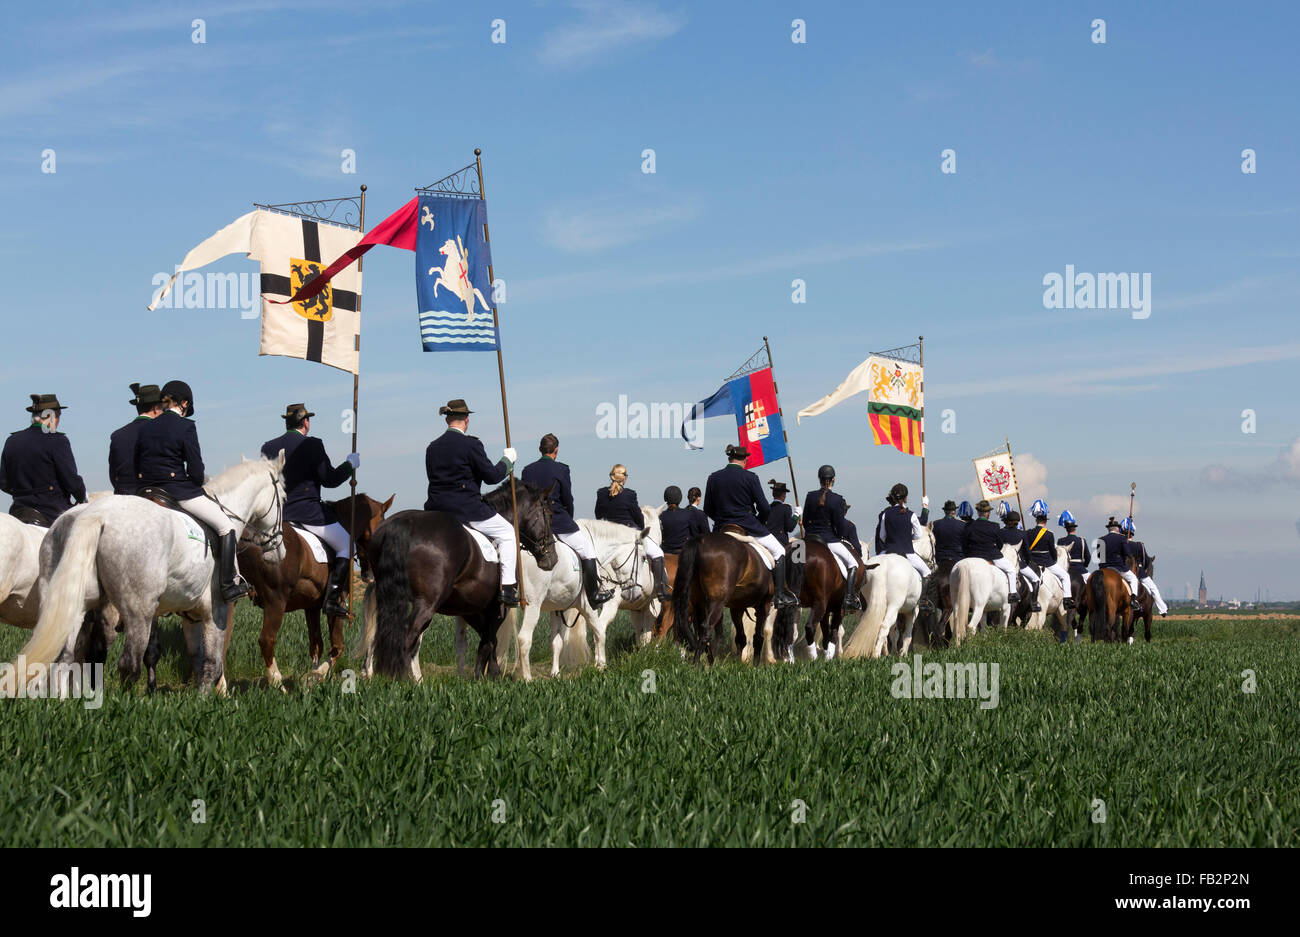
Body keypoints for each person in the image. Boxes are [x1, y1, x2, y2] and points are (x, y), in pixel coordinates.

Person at [134, 380, 248, 601]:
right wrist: (193, 482)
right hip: (178, 491)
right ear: (184, 403)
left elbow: (136, 463)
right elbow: (196, 471)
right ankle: (227, 585)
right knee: (226, 527)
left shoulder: (146, 427)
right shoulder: (186, 427)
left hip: (146, 492)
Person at [261, 403, 359, 618]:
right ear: (306, 422)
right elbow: (330, 480)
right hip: (309, 514)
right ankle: (332, 600)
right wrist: (349, 465)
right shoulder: (313, 445)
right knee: (347, 544)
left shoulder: (268, 447)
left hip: (278, 516)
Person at [423, 399, 520, 606]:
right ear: (466, 420)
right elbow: (492, 476)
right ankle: (509, 588)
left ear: (447, 420)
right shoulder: (471, 444)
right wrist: (507, 462)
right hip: (466, 509)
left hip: (436, 510)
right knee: (507, 533)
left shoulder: (432, 448)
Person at [521, 434, 614, 608]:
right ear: (556, 450)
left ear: (540, 449)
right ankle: (593, 595)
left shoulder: (527, 470)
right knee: (588, 551)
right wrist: (568, 517)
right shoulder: (562, 470)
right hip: (558, 522)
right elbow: (567, 499)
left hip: (533, 526)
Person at [705, 445, 797, 608]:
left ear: (729, 459)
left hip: (721, 528)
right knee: (779, 551)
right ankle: (780, 594)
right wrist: (758, 520)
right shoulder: (750, 477)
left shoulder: (713, 477)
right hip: (748, 526)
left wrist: (722, 520)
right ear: (745, 459)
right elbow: (764, 507)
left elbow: (707, 509)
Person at [0, 394, 87, 526]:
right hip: (51, 512)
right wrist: (82, 497)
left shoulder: (12, 441)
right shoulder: (57, 441)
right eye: (58, 417)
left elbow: (4, 483)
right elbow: (72, 481)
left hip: (18, 512)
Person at [595, 463, 668, 599]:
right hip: (628, 536)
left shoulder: (601, 493)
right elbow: (638, 518)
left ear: (612, 476)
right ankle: (660, 590)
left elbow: (598, 515)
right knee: (657, 552)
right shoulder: (629, 494)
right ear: (624, 478)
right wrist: (640, 530)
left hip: (608, 538)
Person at [800, 464, 861, 611]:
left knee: (793, 559)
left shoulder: (810, 496)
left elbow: (806, 520)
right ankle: (849, 597)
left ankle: (788, 593)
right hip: (829, 540)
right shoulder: (837, 499)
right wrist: (837, 536)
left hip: (809, 539)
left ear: (819, 479)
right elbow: (840, 526)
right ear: (833, 479)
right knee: (854, 564)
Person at [874, 483, 932, 606]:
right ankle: (924, 601)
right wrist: (906, 537)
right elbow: (918, 535)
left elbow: (882, 536)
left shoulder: (885, 514)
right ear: (906, 498)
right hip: (907, 552)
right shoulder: (911, 515)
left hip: (888, 551)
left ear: (893, 498)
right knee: (927, 573)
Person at [109, 384, 164, 495]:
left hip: (122, 493)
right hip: (151, 494)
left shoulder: (117, 435)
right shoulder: (161, 431)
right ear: (155, 408)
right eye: (162, 408)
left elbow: (113, 475)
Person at [1022, 499, 1074, 609]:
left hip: (1032, 562)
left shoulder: (1028, 533)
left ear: (1036, 520)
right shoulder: (1049, 534)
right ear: (1045, 521)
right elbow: (1052, 551)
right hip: (1047, 562)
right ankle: (1067, 600)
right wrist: (1054, 560)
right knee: (1065, 576)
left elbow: (1025, 549)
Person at [963, 500, 1019, 602]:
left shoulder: (969, 526)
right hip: (992, 555)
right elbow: (1000, 544)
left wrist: (967, 555)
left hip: (973, 556)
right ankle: (1013, 593)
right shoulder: (995, 526)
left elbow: (964, 544)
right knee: (1011, 569)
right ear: (988, 514)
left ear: (978, 512)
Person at [1121, 518, 1167, 617]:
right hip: (1139, 573)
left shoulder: (1120, 545)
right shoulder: (1139, 545)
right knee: (1153, 588)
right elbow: (1146, 561)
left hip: (1122, 571)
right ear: (1132, 533)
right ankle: (1162, 609)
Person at [1096, 517, 1142, 613]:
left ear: (1108, 529)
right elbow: (1128, 554)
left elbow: (1099, 555)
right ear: (1117, 529)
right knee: (1133, 579)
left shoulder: (1101, 539)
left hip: (1104, 568)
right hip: (1119, 567)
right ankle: (1133, 601)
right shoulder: (1122, 538)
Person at [998, 511, 1041, 612]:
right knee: (1036, 579)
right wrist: (1029, 561)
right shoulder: (1022, 534)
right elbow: (1027, 552)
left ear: (1007, 521)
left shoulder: (1000, 532)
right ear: (1017, 523)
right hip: (1019, 564)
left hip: (1002, 563)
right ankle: (1034, 603)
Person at [932, 499, 966, 582]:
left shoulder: (935, 524)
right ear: (954, 511)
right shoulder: (962, 525)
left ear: (945, 512)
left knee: (930, 581)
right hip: (958, 558)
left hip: (940, 558)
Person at [658, 485, 694, 555]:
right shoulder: (688, 514)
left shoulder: (661, 516)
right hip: (683, 554)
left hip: (665, 552)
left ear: (665, 499)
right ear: (680, 499)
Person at [1057, 510, 1091, 579]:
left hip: (1066, 570)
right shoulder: (1082, 540)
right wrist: (1084, 565)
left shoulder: (1060, 541)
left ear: (1066, 529)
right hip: (1080, 569)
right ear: (1075, 528)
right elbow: (1088, 557)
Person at [765, 479, 798, 548]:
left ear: (773, 494)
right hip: (780, 543)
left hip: (766, 542)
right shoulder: (785, 508)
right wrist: (796, 514)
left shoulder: (766, 508)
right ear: (783, 494)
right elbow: (790, 527)